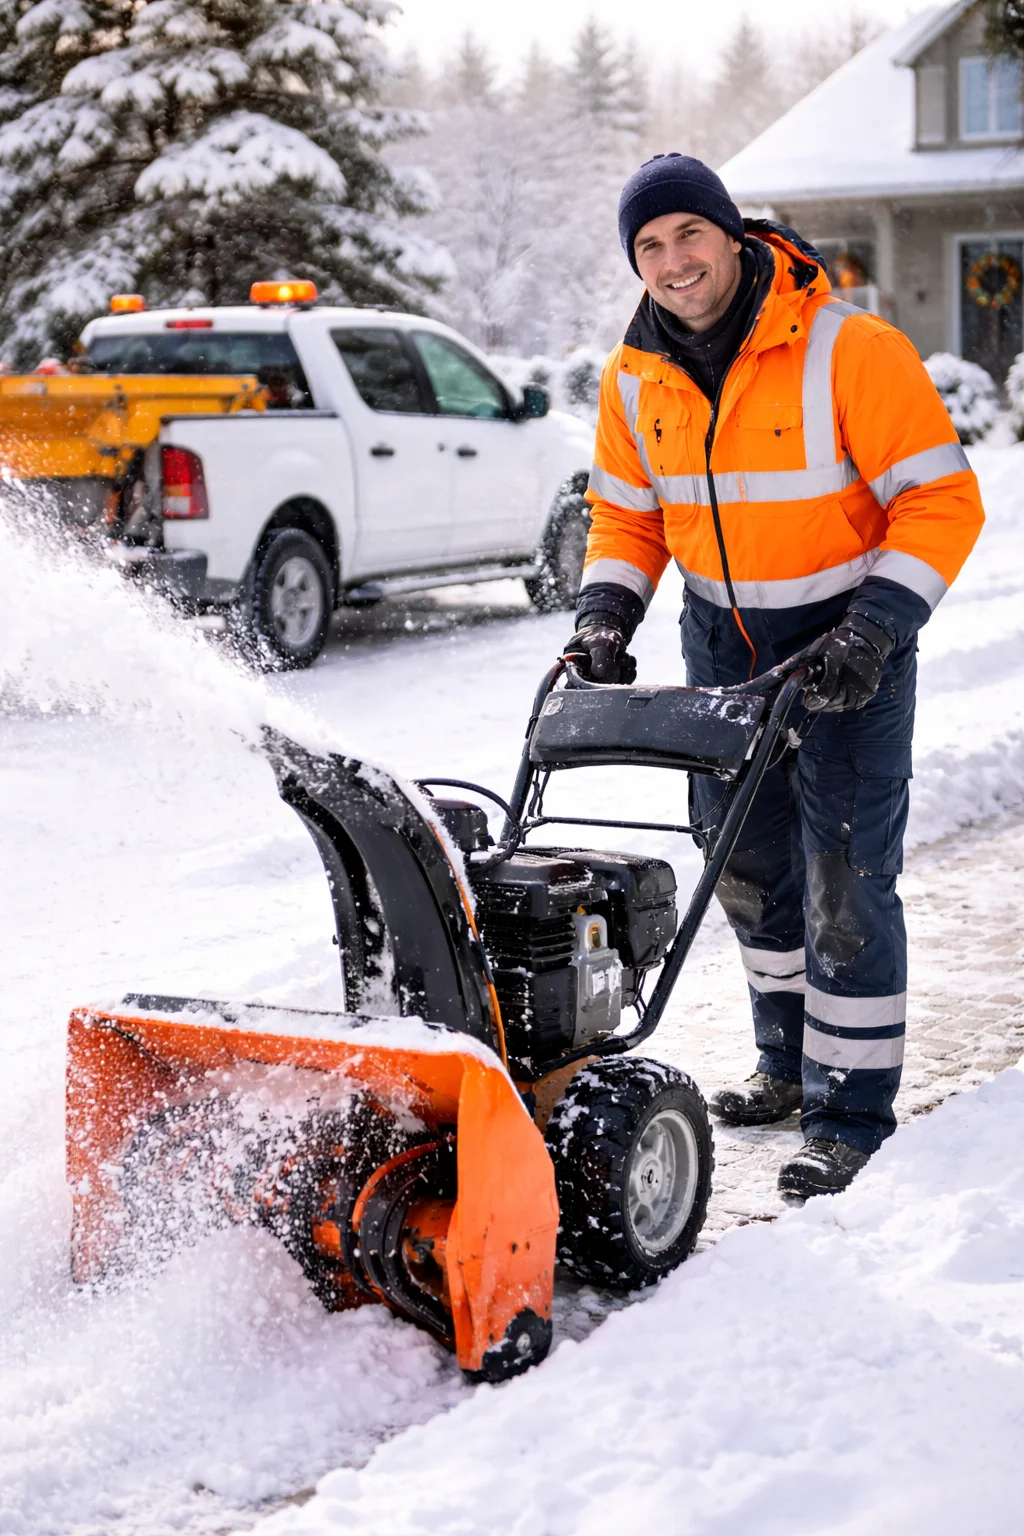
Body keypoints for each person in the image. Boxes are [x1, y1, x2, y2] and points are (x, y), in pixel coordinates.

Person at [566, 154, 985, 1199]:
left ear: (732, 236)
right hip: (721, 644)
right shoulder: (636, 374)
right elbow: (627, 516)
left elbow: (940, 503)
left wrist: (875, 629)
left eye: (686, 236)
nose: (671, 262)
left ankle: (849, 1114)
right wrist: (606, 613)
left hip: (848, 643)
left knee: (844, 879)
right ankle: (788, 1063)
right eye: (648, 246)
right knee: (744, 865)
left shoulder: (848, 349)